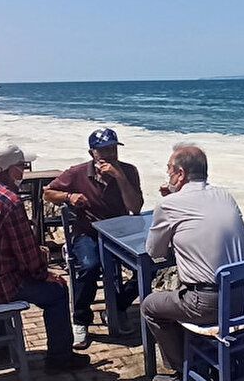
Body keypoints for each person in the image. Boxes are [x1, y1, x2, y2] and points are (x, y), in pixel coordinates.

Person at [0, 141, 90, 373]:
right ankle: (60, 359)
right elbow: (29, 257)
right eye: (22, 166)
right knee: (57, 292)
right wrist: (46, 273)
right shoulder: (8, 201)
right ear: (12, 169)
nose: (23, 171)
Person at [141, 144, 244, 381]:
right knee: (182, 293)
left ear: (180, 174)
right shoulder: (225, 195)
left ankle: (181, 371)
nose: (168, 175)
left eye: (169, 170)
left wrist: (169, 205)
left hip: (210, 303)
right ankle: (202, 358)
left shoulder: (168, 204)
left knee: (150, 306)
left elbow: (154, 251)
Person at [44, 127, 144, 349]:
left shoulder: (129, 171)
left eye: (112, 149)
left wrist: (120, 177)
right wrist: (69, 197)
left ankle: (117, 306)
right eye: (103, 150)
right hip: (88, 232)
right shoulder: (77, 172)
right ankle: (81, 319)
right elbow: (48, 192)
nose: (109, 155)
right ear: (92, 153)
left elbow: (135, 208)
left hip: (120, 234)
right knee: (90, 266)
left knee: (148, 265)